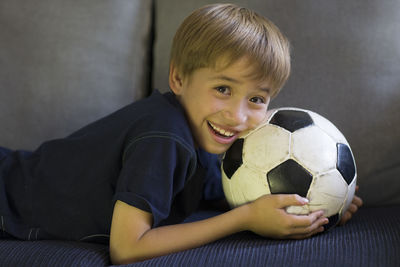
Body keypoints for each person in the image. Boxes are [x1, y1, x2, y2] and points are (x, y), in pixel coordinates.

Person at [0, 3, 362, 264]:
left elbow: (227, 193)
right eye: (222, 88)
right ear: (178, 79)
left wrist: (316, 204)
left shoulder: (212, 139)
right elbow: (127, 248)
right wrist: (245, 219)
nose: (237, 116)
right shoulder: (164, 137)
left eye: (256, 98)